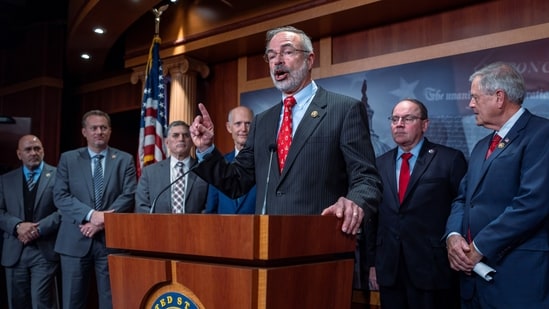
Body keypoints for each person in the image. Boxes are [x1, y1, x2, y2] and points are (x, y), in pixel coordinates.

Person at [189, 25, 382, 235]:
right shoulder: (263, 121)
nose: (277, 61)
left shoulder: (343, 109)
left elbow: (366, 178)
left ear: (309, 60)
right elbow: (236, 182)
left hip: (321, 241)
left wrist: (354, 202)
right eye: (271, 56)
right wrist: (207, 149)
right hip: (271, 243)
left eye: (287, 52)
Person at [445, 62, 549, 308]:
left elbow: (532, 203)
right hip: (473, 281)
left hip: (517, 278)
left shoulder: (541, 134)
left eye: (475, 97)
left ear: (499, 98)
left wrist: (480, 247)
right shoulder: (482, 145)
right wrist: (453, 236)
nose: (470, 104)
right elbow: (463, 198)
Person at [368, 99, 466, 309]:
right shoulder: (379, 164)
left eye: (408, 118)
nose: (399, 124)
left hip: (433, 270)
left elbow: (462, 208)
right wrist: (373, 264)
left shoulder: (449, 160)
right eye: (395, 119)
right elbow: (373, 218)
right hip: (390, 270)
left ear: (424, 124)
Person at [53, 110, 136, 309]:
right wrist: (92, 215)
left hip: (111, 240)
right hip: (74, 240)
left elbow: (129, 195)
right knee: (73, 301)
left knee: (111, 301)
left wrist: (100, 222)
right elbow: (61, 196)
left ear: (109, 131)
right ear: (84, 132)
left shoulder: (124, 159)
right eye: (94, 128)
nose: (99, 132)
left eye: (103, 128)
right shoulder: (68, 159)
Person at [0, 135, 60, 309]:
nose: (33, 153)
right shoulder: (5, 180)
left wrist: (37, 229)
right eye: (28, 149)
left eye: (37, 149)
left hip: (44, 250)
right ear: (19, 154)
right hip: (14, 252)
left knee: (42, 302)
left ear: (43, 151)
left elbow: (63, 210)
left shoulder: (58, 176)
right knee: (17, 302)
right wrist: (18, 226)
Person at [135, 120, 208, 214]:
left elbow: (209, 206)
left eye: (186, 135)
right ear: (167, 142)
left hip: (196, 227)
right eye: (175, 135)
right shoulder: (150, 173)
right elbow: (142, 206)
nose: (181, 139)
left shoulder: (204, 169)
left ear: (192, 141)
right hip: (158, 227)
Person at [204, 106, 256, 214]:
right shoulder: (220, 163)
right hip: (224, 229)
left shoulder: (266, 162)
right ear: (229, 127)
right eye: (238, 124)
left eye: (248, 123)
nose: (243, 129)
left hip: (255, 228)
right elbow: (211, 210)